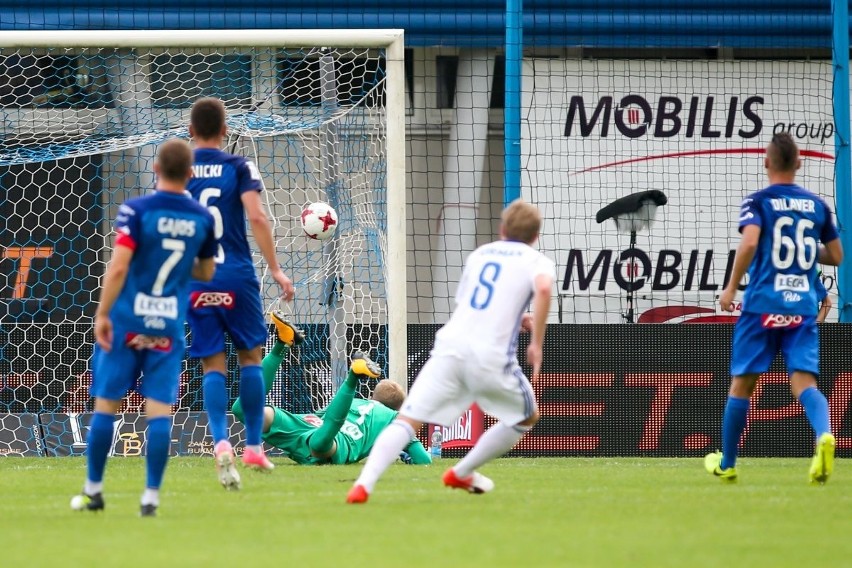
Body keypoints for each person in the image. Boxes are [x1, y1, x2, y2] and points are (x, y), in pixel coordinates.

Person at [346, 199, 554, 503]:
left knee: (406, 421)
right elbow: (544, 289)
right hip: (490, 356)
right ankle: (463, 471)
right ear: (535, 236)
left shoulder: (480, 255)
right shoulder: (537, 260)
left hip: (449, 347)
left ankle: (363, 484)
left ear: (502, 229)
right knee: (526, 417)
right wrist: (536, 340)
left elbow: (475, 302)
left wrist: (515, 316)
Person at [72, 139, 218, 516]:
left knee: (107, 404)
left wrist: (102, 314)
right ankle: (150, 497)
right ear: (189, 174)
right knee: (159, 412)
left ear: (155, 168)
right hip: (167, 324)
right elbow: (205, 271)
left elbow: (118, 266)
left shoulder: (135, 211)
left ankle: (94, 491)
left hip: (126, 322)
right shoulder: (201, 218)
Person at [706, 132, 843, 485]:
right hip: (802, 306)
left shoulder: (758, 201)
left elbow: (750, 240)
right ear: (799, 164)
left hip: (762, 304)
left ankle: (729, 462)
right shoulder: (817, 206)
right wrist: (808, 249)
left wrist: (732, 285)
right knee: (804, 381)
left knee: (742, 385)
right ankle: (824, 435)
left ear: (767, 162)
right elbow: (837, 256)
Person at [185, 97, 295, 490]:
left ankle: (219, 442)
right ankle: (252, 445)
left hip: (197, 277)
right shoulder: (239, 166)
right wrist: (277, 270)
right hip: (236, 275)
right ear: (226, 130)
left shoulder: (179, 168)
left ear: (190, 131)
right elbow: (257, 216)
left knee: (212, 365)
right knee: (251, 356)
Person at [230, 313, 431, 465]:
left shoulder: (353, 401)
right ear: (397, 408)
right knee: (319, 446)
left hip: (308, 423)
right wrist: (408, 456)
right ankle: (353, 376)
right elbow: (425, 460)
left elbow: (327, 414)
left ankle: (282, 343)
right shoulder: (392, 419)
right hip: (337, 440)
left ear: (372, 395)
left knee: (244, 409)